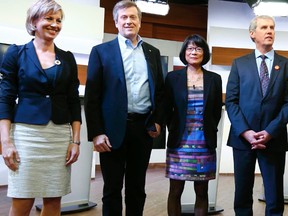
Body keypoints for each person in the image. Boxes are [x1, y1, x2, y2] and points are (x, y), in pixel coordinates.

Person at [0, 0, 82, 215]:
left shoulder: (67, 58)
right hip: (26, 135)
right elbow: (5, 98)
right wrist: (5, 141)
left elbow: (73, 100)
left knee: (54, 199)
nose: (55, 24)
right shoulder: (16, 54)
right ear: (34, 21)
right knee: (22, 200)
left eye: (58, 20)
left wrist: (75, 141)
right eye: (49, 18)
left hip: (59, 136)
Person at [84, 1, 165, 215]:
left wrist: (157, 121)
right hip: (111, 131)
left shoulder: (152, 52)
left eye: (133, 17)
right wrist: (97, 133)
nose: (129, 21)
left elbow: (160, 92)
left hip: (143, 129)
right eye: (124, 17)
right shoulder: (101, 52)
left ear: (140, 21)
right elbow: (92, 96)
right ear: (116, 22)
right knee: (112, 188)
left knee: (137, 187)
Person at [226, 15, 288, 216]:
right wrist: (246, 132)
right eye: (264, 27)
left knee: (274, 195)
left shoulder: (286, 65)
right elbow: (231, 102)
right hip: (243, 140)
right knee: (242, 193)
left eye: (272, 27)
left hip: (274, 138)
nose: (269, 31)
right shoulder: (239, 64)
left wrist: (270, 131)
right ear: (252, 34)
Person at [164, 34, 223, 216]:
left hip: (204, 144)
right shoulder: (173, 77)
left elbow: (215, 110)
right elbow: (167, 108)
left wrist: (210, 129)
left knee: (202, 192)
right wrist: (173, 128)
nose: (194, 52)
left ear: (204, 53)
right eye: (190, 48)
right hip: (179, 144)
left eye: (198, 48)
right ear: (184, 53)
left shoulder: (214, 78)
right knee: (175, 191)